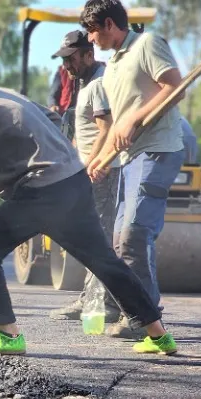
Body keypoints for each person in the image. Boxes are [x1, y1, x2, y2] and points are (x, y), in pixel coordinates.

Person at [0, 60, 177, 356]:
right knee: (104, 262)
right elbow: (51, 118)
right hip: (73, 180)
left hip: (43, 192)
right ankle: (159, 335)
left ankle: (7, 335)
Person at [81, 0, 186, 339]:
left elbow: (175, 86)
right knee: (119, 241)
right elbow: (118, 125)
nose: (91, 39)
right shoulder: (111, 67)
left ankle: (145, 320)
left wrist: (139, 117)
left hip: (157, 151)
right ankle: (141, 315)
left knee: (135, 235)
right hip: (128, 160)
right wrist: (99, 161)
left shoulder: (147, 44)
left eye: (93, 31)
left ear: (110, 24)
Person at [48, 30, 122, 324]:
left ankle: (109, 303)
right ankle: (91, 298)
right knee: (92, 238)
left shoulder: (100, 83)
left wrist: (89, 165)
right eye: (64, 60)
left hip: (100, 173)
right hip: (91, 169)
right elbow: (88, 132)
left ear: (89, 54)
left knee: (99, 239)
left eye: (72, 59)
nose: (67, 66)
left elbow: (107, 129)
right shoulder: (87, 82)